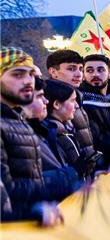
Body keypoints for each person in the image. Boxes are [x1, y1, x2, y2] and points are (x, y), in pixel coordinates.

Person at [1, 47, 70, 223]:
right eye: (17, 74)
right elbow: (7, 191)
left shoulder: (17, 120)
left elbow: (29, 180)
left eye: (31, 74)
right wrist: (31, 214)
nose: (28, 81)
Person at [45, 49, 97, 174]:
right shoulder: (47, 98)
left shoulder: (78, 97)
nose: (79, 74)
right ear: (53, 72)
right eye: (71, 69)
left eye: (80, 69)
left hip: (86, 173)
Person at [79, 55, 110, 169]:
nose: (95, 74)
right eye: (89, 71)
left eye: (100, 70)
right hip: (100, 171)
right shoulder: (81, 104)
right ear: (83, 76)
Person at [43, 78, 83, 173]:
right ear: (56, 104)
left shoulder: (63, 130)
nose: (77, 106)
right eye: (73, 100)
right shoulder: (55, 135)